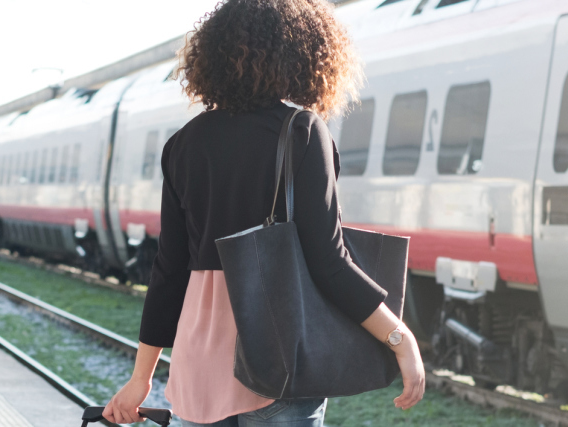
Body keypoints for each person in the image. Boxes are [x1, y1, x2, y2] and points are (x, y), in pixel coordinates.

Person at [105, 1, 424, 425]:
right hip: (279, 351)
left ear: (213, 56)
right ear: (303, 53)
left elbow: (169, 269)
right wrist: (399, 339)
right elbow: (328, 262)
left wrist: (141, 377)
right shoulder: (301, 131)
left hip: (199, 366)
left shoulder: (183, 144)